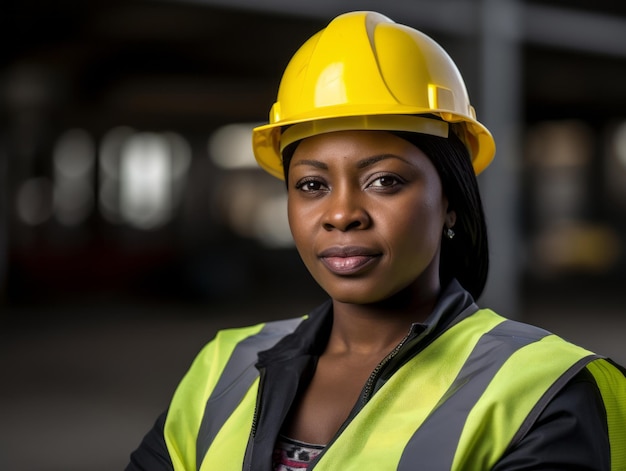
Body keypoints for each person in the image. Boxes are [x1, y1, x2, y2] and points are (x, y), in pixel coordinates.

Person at [126, 11, 626, 470]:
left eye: (384, 181)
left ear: (450, 199)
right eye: (312, 185)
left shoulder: (547, 392)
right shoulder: (223, 367)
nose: (341, 214)